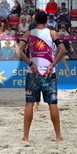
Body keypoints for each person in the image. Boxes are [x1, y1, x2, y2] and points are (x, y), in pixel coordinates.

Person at [17, 11, 66, 142]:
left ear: (34, 21)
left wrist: (30, 63)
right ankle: (58, 135)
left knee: (29, 104)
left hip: (33, 73)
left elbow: (18, 50)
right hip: (49, 73)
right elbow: (63, 50)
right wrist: (52, 65)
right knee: (53, 104)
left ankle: (25, 136)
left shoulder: (28, 34)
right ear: (47, 21)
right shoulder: (52, 33)